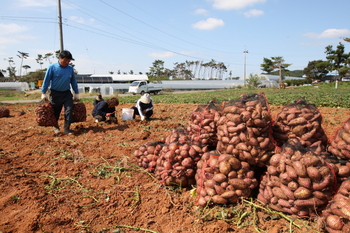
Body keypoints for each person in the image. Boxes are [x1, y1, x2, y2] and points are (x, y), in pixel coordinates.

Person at [41, 50, 79, 135]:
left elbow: (73, 81)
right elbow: (46, 80)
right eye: (66, 60)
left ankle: (67, 129)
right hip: (55, 93)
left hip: (66, 93)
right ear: (60, 58)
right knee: (56, 111)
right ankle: (56, 127)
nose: (67, 62)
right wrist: (43, 93)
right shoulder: (52, 67)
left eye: (69, 61)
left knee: (69, 110)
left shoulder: (70, 69)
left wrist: (76, 92)